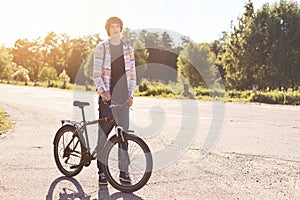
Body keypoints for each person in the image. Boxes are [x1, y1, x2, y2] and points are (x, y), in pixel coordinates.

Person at [93, 16, 137, 185]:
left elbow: (132, 74)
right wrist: (103, 92)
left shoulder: (128, 49)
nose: (115, 29)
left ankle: (123, 173)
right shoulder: (101, 48)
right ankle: (102, 172)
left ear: (121, 29)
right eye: (112, 27)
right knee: (103, 136)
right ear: (108, 29)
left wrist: (131, 94)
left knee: (123, 136)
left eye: (118, 26)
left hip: (123, 98)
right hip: (107, 97)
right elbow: (97, 74)